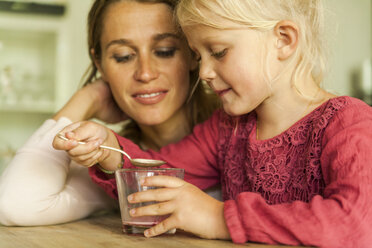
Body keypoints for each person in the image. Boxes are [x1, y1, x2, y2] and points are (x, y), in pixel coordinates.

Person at [52, 0, 372, 247]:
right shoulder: (226, 128)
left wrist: (219, 218)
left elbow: (357, 225)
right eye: (198, 55)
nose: (203, 72)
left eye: (218, 52)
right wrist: (107, 146)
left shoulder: (347, 124)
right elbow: (163, 172)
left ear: (284, 40)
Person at [0, 0, 220, 226]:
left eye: (165, 51)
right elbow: (15, 204)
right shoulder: (112, 165)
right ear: (100, 64)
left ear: (194, 53)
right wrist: (86, 100)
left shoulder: (239, 131)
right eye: (123, 56)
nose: (145, 73)